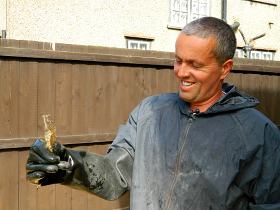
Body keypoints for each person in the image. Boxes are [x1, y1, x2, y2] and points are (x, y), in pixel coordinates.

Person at [26, 17, 280, 210]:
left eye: (195, 65)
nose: (181, 72)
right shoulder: (149, 112)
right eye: (179, 60)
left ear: (225, 68)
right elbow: (115, 174)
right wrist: (69, 166)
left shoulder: (259, 134)